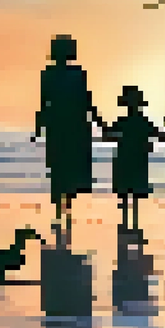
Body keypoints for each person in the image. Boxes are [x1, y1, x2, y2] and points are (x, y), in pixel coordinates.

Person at [33, 35, 105, 218]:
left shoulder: (49, 74)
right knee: (69, 162)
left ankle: (60, 202)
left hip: (59, 123)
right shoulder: (77, 74)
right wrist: (100, 123)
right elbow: (86, 101)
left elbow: (44, 103)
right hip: (74, 123)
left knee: (59, 163)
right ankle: (65, 202)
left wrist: (38, 127)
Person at [105, 85, 165, 228]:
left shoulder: (122, 121)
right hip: (138, 160)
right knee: (135, 193)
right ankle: (134, 223)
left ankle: (126, 222)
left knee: (125, 194)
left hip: (124, 160)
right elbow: (159, 135)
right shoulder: (143, 121)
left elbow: (108, 136)